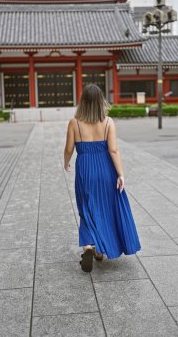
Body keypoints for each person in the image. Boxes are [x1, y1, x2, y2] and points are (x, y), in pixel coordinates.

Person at [64, 84, 141, 273]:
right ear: (101, 101)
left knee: (87, 208)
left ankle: (89, 247)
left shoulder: (74, 122)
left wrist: (66, 162)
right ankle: (99, 251)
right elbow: (113, 150)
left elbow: (69, 148)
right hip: (106, 170)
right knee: (104, 207)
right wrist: (121, 174)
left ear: (83, 101)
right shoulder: (108, 122)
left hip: (85, 170)